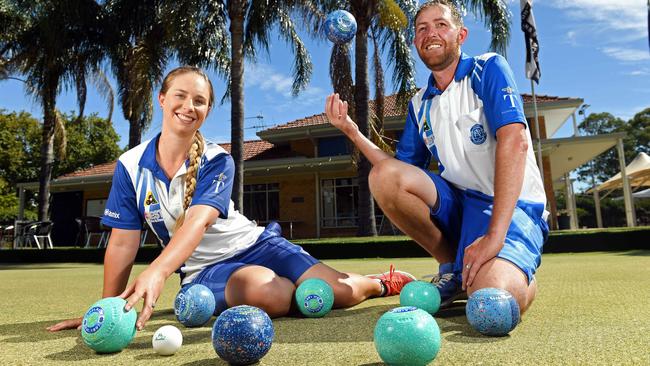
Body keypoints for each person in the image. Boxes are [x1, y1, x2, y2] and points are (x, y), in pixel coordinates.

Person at [48, 66, 415, 332]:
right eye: (180, 96)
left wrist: (157, 270)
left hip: (258, 244)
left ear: (207, 111)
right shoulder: (130, 166)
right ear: (162, 99)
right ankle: (296, 291)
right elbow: (124, 241)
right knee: (271, 293)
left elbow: (197, 220)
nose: (189, 106)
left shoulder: (216, 158)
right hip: (203, 270)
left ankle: (379, 282)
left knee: (338, 291)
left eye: (200, 101)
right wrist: (107, 306)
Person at [325, 0, 548, 314]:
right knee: (384, 177)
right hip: (461, 204)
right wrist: (350, 130)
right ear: (415, 41)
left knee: (492, 305)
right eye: (422, 28)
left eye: (441, 24)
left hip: (511, 206)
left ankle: (514, 272)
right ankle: (452, 268)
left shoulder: (489, 68)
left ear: (461, 35)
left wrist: (495, 237)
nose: (431, 33)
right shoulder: (420, 103)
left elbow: (516, 143)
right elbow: (398, 170)